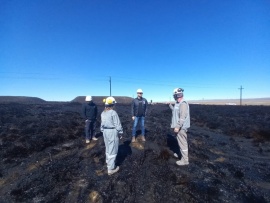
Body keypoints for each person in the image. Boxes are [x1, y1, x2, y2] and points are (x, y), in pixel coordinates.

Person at [100, 96, 123, 175]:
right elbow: (117, 124)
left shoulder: (103, 113)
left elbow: (102, 125)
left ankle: (108, 162)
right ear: (112, 104)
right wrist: (120, 132)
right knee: (112, 150)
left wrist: (103, 131)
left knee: (108, 148)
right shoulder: (113, 112)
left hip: (105, 132)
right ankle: (111, 168)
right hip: (112, 132)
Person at [169, 88, 190, 166]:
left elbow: (182, 117)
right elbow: (174, 111)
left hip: (181, 128)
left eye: (174, 95)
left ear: (176, 95)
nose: (174, 97)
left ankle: (185, 160)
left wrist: (177, 126)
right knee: (180, 142)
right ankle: (181, 155)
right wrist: (170, 105)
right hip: (178, 127)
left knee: (183, 143)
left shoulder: (183, 103)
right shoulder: (178, 103)